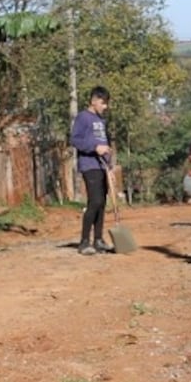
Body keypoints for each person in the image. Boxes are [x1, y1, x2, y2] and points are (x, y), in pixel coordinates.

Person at [70, 85, 114, 255]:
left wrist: (109, 166)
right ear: (94, 101)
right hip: (89, 165)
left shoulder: (101, 121)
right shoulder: (83, 118)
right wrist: (94, 147)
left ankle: (98, 239)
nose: (105, 107)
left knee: (102, 203)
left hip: (102, 166)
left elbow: (106, 145)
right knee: (94, 202)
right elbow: (75, 140)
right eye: (103, 103)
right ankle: (84, 241)